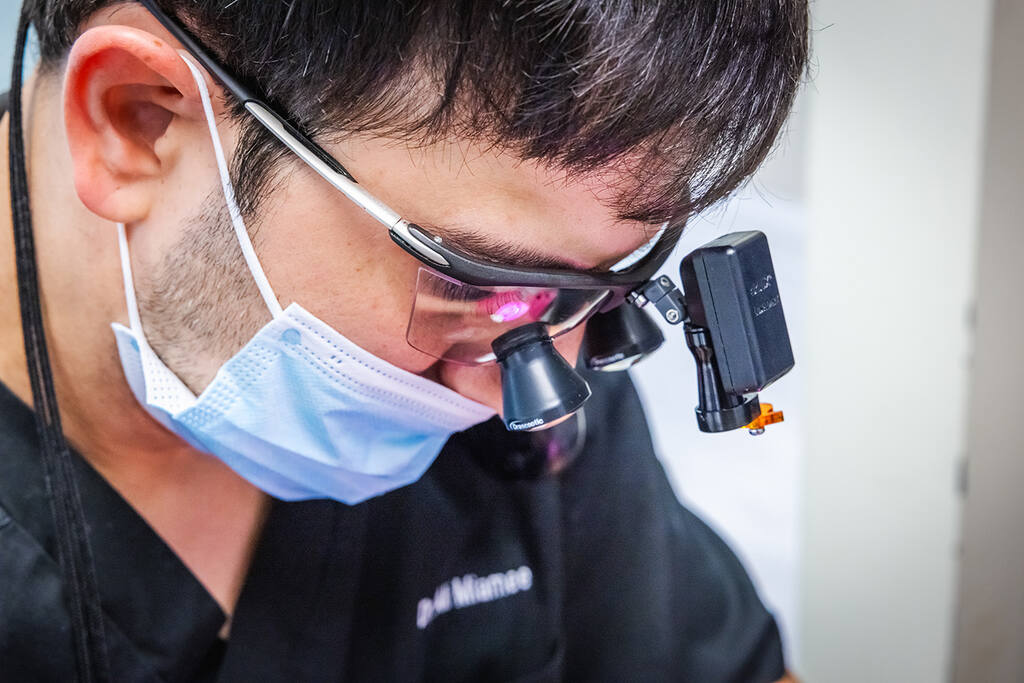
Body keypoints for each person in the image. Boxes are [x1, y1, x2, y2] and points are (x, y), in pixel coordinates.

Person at [0, 1, 808, 680]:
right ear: (138, 119)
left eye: (599, 288)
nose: (539, 391)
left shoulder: (538, 345)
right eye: (473, 287)